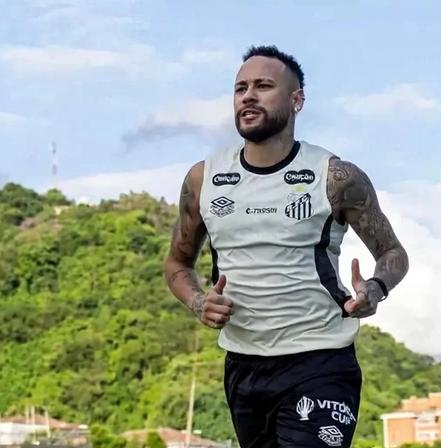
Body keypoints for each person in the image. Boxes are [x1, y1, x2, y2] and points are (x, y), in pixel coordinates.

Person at [164, 45, 408, 448]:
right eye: (241, 87)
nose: (248, 95)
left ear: (297, 100)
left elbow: (393, 254)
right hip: (244, 368)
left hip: (321, 359)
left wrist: (375, 289)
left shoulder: (336, 177)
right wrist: (198, 303)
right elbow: (177, 265)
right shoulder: (202, 179)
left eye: (263, 86)